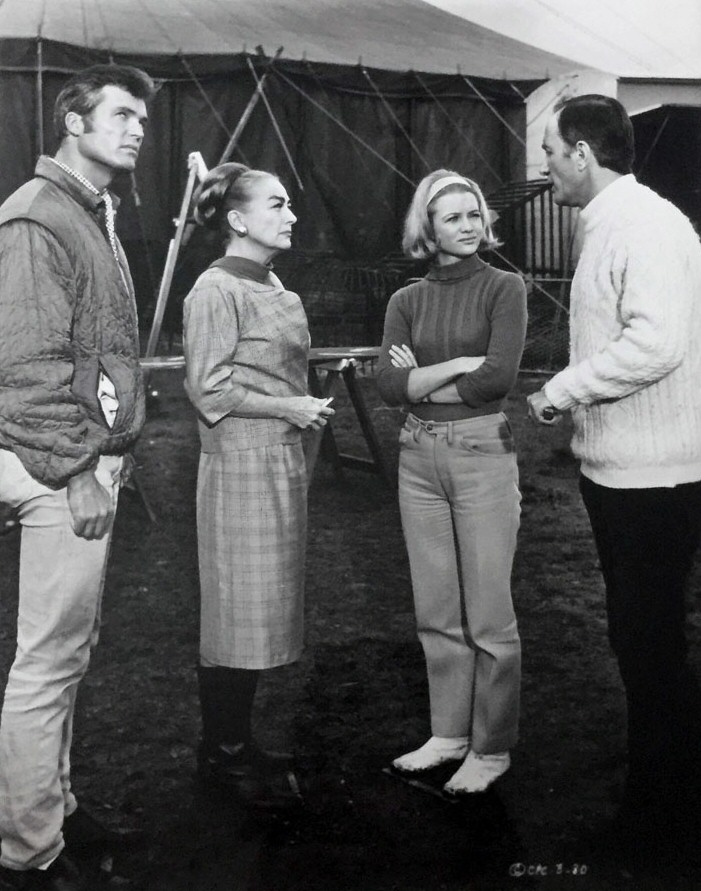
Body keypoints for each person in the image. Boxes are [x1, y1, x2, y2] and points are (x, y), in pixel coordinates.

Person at [528, 94, 701, 847]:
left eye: (549, 153)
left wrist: (557, 392)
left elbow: (655, 344)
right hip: (623, 472)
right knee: (644, 642)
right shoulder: (616, 222)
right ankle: (667, 791)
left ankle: (659, 817)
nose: (544, 167)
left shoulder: (643, 225)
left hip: (652, 480)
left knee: (647, 643)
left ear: (582, 155)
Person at [0, 64, 155, 890]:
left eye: (142, 118)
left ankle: (49, 807)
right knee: (46, 661)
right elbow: (24, 368)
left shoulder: (89, 211)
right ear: (72, 120)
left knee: (67, 652)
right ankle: (28, 852)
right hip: (49, 463)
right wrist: (77, 472)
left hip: (79, 458)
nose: (137, 129)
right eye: (121, 113)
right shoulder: (36, 217)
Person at [182, 161, 334, 809]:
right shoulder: (215, 290)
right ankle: (222, 752)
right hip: (240, 463)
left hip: (277, 462)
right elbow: (207, 387)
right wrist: (289, 409)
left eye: (290, 202)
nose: (291, 214)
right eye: (276, 204)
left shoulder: (269, 280)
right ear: (238, 220)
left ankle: (234, 741)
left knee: (256, 611)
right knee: (232, 614)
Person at [376, 170, 527, 795]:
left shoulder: (505, 286)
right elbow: (388, 388)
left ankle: (492, 746)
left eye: (474, 215)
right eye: (452, 218)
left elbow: (496, 378)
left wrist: (426, 377)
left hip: (481, 454)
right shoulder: (405, 301)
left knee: (488, 612)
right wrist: (457, 364)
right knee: (436, 607)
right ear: (427, 229)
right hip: (416, 456)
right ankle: (448, 734)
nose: (468, 227)